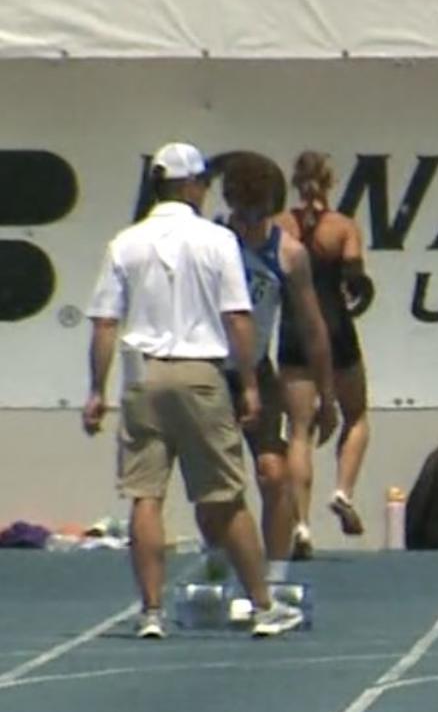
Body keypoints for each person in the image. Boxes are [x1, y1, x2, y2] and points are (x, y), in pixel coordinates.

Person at [80, 141, 304, 638]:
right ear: (189, 186)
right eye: (202, 181)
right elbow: (237, 319)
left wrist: (97, 389)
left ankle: (152, 611)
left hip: (142, 374)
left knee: (145, 497)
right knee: (225, 496)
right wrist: (248, 383)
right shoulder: (215, 241)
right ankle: (263, 605)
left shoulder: (126, 242)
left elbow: (104, 324)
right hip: (200, 371)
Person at [217, 151, 338, 585]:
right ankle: (220, 565)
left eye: (258, 215)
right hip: (210, 371)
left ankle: (277, 577)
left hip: (257, 371)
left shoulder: (288, 254)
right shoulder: (211, 243)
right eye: (242, 214)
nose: (249, 225)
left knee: (275, 474)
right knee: (218, 486)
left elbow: (313, 327)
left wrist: (327, 395)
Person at [276, 151, 372, 554]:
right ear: (330, 182)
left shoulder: (280, 227)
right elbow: (356, 282)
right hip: (335, 328)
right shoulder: (342, 227)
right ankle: (343, 490)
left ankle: (300, 524)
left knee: (298, 429)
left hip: (295, 330)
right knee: (357, 414)